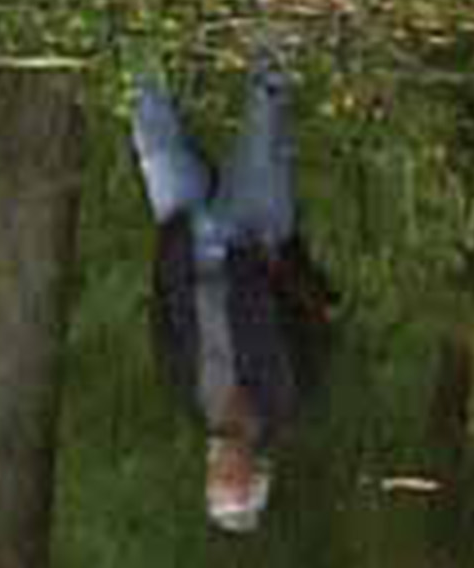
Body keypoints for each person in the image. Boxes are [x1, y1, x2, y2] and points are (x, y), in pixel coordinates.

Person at [133, 65, 335, 533]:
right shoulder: (293, 390)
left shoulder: (188, 394)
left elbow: (162, 321)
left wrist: (167, 258)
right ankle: (278, 1)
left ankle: (139, 15)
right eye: (231, 475)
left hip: (186, 237)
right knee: (267, 96)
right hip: (255, 232)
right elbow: (320, 313)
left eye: (215, 477)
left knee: (145, 110)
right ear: (256, 470)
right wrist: (280, 261)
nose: (220, 466)